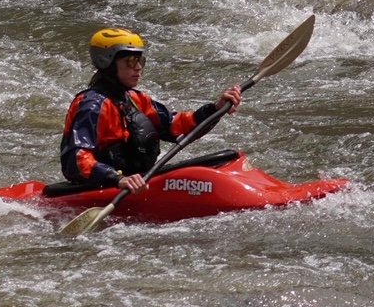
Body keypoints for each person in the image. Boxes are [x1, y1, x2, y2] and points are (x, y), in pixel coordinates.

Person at [60, 28, 242, 192]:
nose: (138, 68)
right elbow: (75, 160)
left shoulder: (136, 100)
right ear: (107, 62)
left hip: (137, 181)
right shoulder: (92, 106)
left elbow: (176, 126)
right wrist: (117, 179)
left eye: (140, 60)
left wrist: (216, 109)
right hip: (107, 187)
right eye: (131, 61)